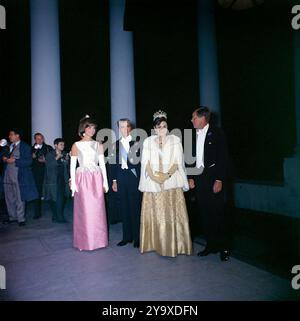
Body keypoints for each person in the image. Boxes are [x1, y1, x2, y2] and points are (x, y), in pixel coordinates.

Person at [138, 110, 192, 257]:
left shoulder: (175, 140)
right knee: (155, 214)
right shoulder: (148, 141)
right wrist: (155, 178)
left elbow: (178, 162)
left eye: (163, 126)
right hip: (154, 183)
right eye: (158, 126)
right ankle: (154, 243)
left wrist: (166, 175)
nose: (161, 129)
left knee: (170, 214)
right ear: (154, 128)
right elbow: (145, 163)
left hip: (171, 182)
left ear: (167, 126)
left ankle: (174, 244)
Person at [188, 106, 230, 261]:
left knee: (218, 213)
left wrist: (219, 179)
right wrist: (190, 177)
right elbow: (190, 158)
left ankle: (224, 247)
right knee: (204, 213)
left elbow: (223, 158)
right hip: (199, 179)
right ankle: (210, 245)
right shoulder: (192, 135)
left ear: (203, 118)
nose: (191, 120)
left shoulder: (218, 133)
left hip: (213, 178)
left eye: (194, 117)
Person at [70, 115, 109, 251]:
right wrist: (73, 184)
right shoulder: (76, 145)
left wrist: (106, 182)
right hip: (82, 179)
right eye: (89, 127)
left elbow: (102, 164)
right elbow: (72, 165)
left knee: (97, 210)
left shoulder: (98, 144)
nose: (92, 130)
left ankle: (99, 241)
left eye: (94, 127)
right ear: (83, 128)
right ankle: (84, 241)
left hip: (96, 177)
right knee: (85, 210)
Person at [109, 119, 142, 248]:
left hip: (133, 177)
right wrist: (114, 181)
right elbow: (112, 165)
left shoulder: (137, 144)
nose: (124, 129)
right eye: (121, 127)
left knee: (135, 207)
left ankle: (137, 238)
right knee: (124, 207)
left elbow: (140, 164)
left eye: (126, 126)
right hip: (120, 177)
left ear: (130, 128)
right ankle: (126, 237)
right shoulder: (114, 145)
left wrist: (139, 179)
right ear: (119, 129)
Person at [2, 129, 38, 226]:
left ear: (17, 136)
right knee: (9, 196)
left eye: (11, 135)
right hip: (7, 174)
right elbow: (2, 155)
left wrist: (15, 161)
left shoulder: (25, 146)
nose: (9, 136)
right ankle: (12, 217)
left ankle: (21, 218)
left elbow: (29, 161)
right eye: (9, 135)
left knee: (19, 197)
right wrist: (4, 158)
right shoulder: (8, 146)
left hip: (19, 175)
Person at [43, 138, 70, 223]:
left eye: (63, 144)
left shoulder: (65, 153)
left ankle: (58, 216)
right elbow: (49, 166)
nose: (63, 146)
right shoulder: (50, 154)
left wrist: (68, 160)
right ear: (55, 145)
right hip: (53, 180)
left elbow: (66, 165)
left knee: (62, 198)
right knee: (53, 199)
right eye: (61, 144)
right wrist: (57, 157)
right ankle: (57, 216)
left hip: (62, 179)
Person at [31, 133, 53, 219]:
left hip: (48, 173)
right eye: (37, 139)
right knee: (37, 193)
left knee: (50, 191)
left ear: (43, 139)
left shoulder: (48, 148)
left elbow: (53, 160)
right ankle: (37, 212)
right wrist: (31, 157)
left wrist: (45, 161)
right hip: (36, 174)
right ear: (35, 140)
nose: (39, 140)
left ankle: (54, 211)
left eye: (41, 138)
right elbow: (28, 162)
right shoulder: (31, 149)